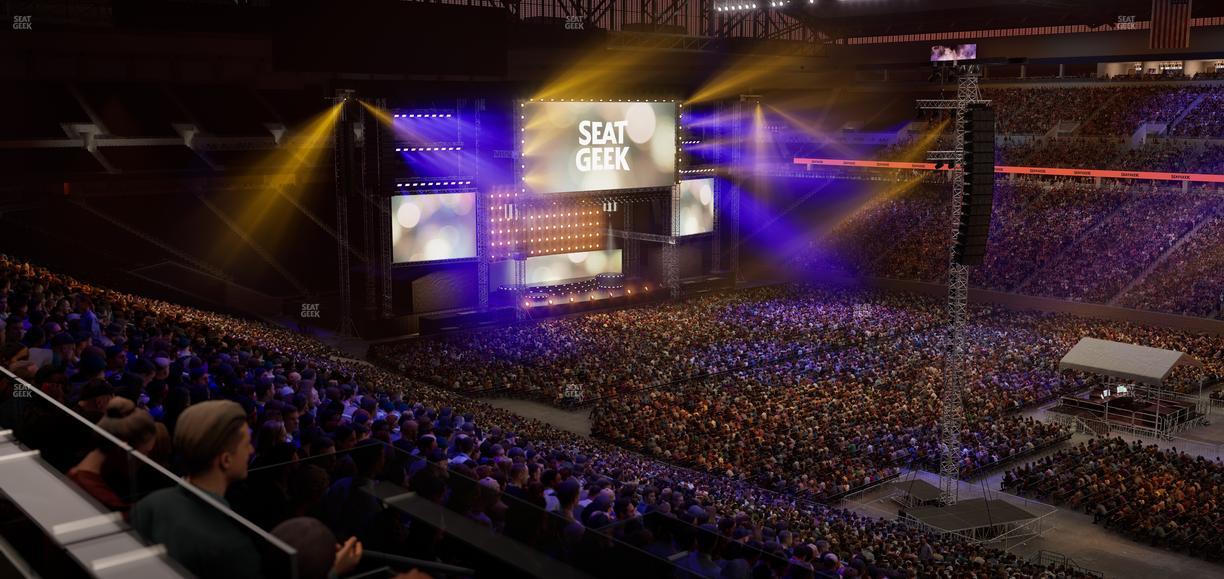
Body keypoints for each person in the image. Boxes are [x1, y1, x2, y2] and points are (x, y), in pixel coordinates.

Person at [130, 400, 262, 579]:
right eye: (247, 443)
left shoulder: (148, 505)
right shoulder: (233, 547)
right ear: (226, 460)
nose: (252, 450)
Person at [68, 397, 157, 513]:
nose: (145, 460)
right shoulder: (107, 504)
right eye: (145, 452)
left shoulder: (74, 473)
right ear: (123, 446)